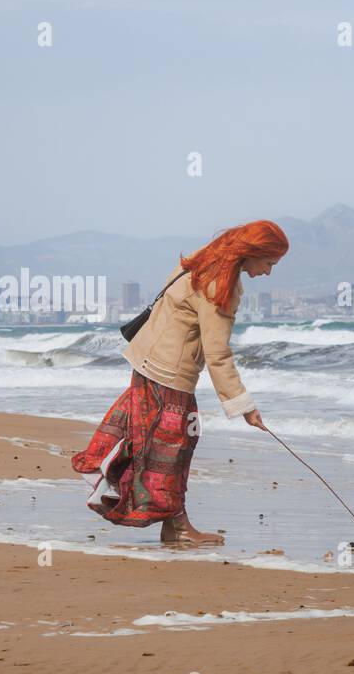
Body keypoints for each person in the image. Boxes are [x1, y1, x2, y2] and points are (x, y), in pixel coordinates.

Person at [72, 220, 287, 545]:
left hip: (150, 362)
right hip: (168, 373)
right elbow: (218, 354)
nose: (269, 272)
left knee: (167, 445)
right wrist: (244, 406)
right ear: (253, 252)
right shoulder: (219, 284)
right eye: (269, 263)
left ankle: (174, 523)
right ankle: (177, 528)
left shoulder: (206, 257)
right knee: (172, 449)